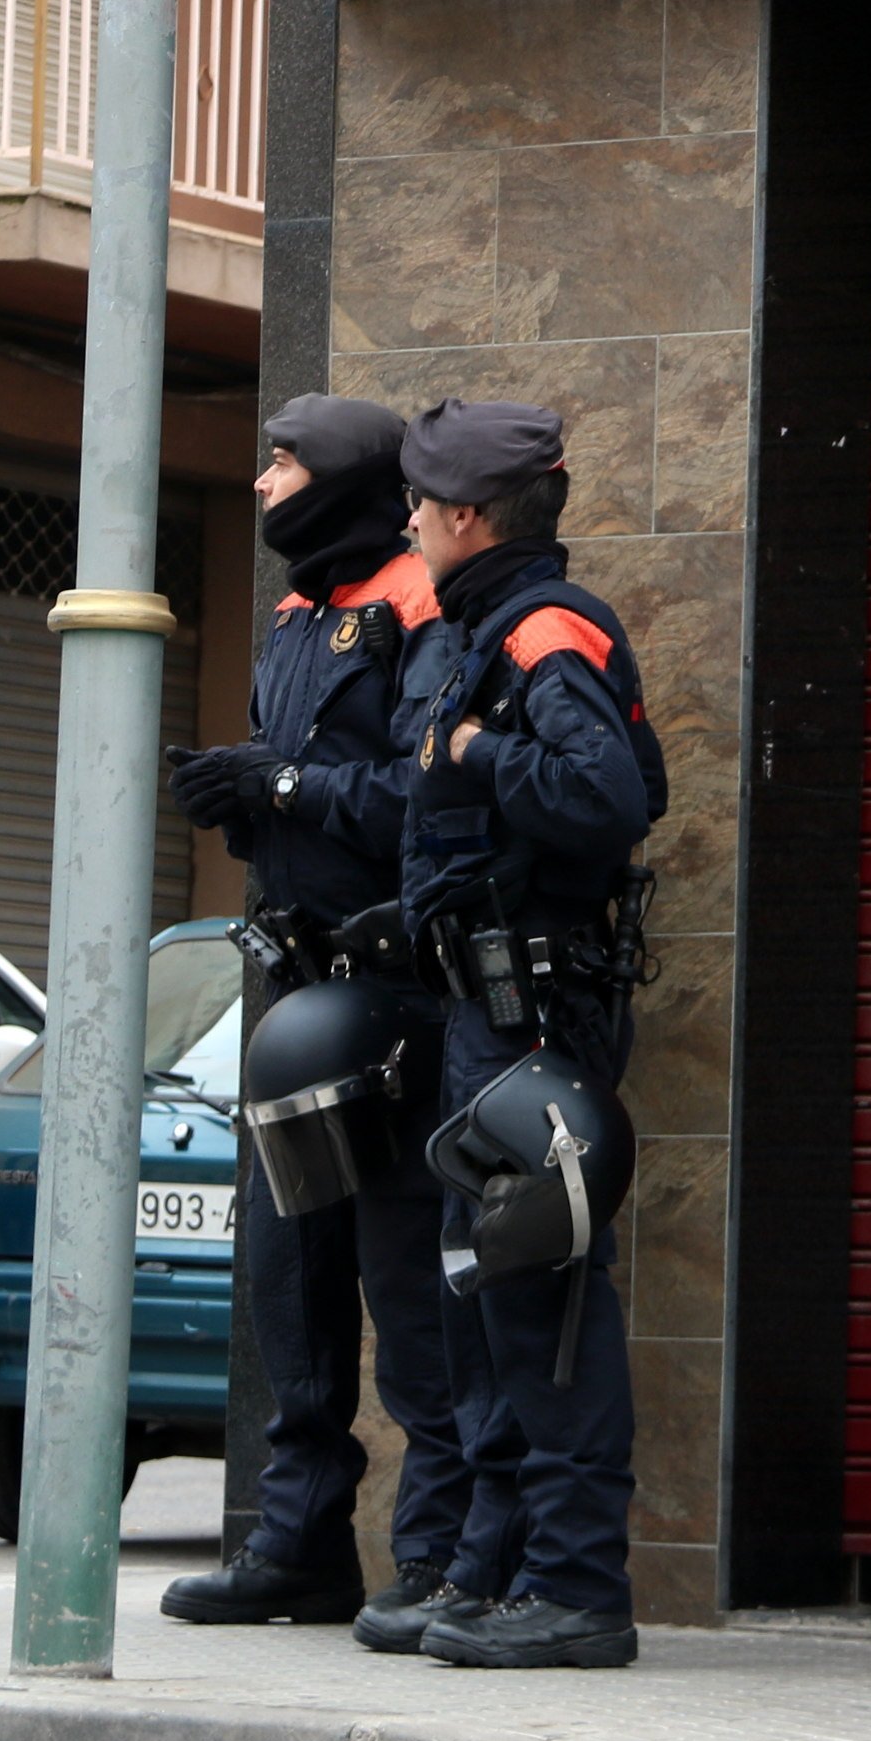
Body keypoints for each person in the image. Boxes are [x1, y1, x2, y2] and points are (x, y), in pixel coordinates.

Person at [158, 397, 499, 1650]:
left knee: (411, 1283)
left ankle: (429, 1555)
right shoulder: (302, 612)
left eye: (286, 460)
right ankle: (298, 1544)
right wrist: (241, 794)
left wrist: (287, 781)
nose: (262, 483)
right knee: (291, 1279)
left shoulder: (420, 598)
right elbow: (297, 781)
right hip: (299, 993)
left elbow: (429, 781)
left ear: (350, 474)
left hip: (400, 989)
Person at [394, 398, 665, 1670]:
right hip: (482, 1010)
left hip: (533, 1010)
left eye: (418, 504)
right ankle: (501, 1571)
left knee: (545, 1298)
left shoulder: (547, 628)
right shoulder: (488, 628)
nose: (406, 522)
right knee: (490, 1304)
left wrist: (479, 751)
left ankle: (577, 1590)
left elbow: (610, 797)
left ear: (464, 517)